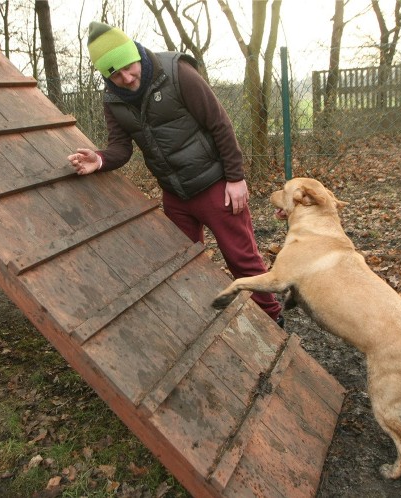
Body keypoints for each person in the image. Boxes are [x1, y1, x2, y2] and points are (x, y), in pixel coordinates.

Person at [67, 21, 283, 327]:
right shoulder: (112, 99)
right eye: (115, 74)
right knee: (184, 261)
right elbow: (121, 147)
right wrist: (99, 160)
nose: (127, 78)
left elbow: (219, 123)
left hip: (215, 186)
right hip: (175, 195)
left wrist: (235, 178)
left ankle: (274, 318)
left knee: (241, 259)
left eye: (129, 67)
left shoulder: (177, 72)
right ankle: (203, 321)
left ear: (136, 54)